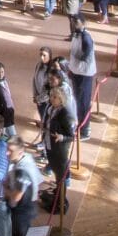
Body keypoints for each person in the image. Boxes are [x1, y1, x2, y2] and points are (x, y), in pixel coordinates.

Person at [43, 86, 78, 215]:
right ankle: (57, 196)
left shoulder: (65, 114)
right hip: (50, 145)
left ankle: (60, 203)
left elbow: (72, 136)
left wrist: (62, 137)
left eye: (55, 97)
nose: (51, 99)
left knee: (60, 177)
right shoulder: (51, 108)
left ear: (61, 99)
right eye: (51, 96)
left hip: (59, 150)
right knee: (56, 174)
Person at [65, 15, 98, 136]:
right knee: (77, 100)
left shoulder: (86, 37)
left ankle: (85, 129)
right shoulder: (76, 35)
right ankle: (79, 124)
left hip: (84, 73)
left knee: (83, 102)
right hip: (76, 71)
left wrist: (74, 60)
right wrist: (71, 68)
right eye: (73, 22)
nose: (74, 25)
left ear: (83, 23)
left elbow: (85, 56)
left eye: (76, 23)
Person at [31, 48, 56, 138]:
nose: (42, 57)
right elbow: (34, 80)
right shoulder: (39, 65)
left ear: (49, 56)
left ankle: (44, 141)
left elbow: (50, 89)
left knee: (47, 122)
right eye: (40, 55)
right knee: (43, 117)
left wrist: (39, 99)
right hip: (38, 98)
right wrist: (35, 95)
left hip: (47, 101)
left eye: (44, 55)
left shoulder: (52, 70)